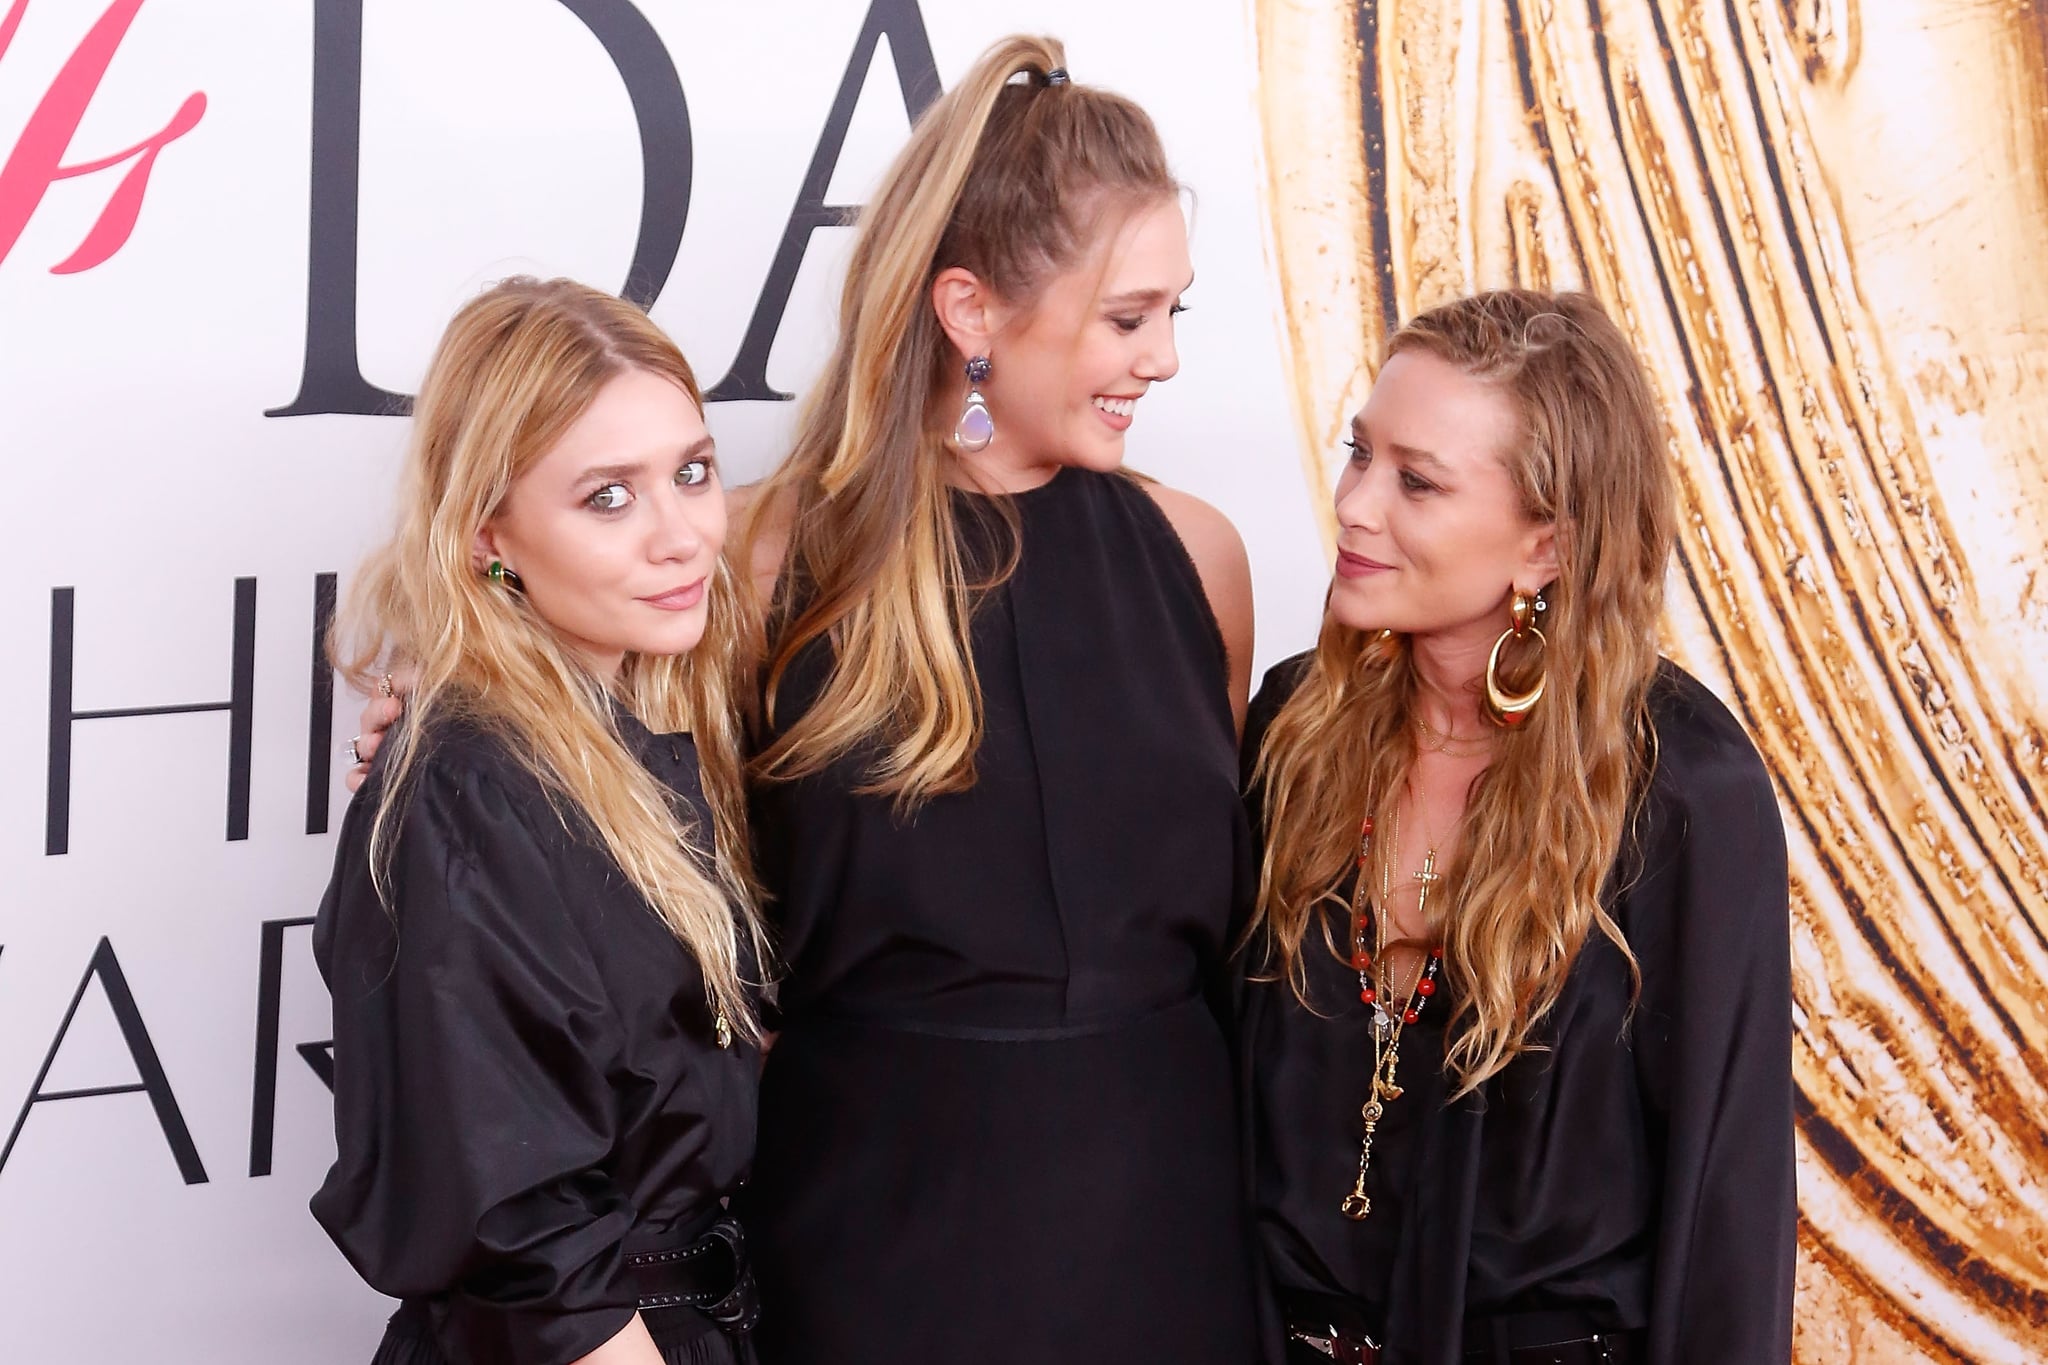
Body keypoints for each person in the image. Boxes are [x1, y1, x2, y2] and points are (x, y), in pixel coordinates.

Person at [732, 35, 1260, 1365]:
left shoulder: (1197, 558)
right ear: (970, 311)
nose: (1164, 361)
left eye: (1172, 315)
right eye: (1128, 318)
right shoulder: (768, 562)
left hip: (1172, 1236)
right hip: (874, 1247)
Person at [1242, 290, 1795, 1365]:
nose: (1353, 504)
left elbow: (1726, 1205)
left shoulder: (1677, 786)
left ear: (1544, 543)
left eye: (1415, 481)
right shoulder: (1290, 730)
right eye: (1358, 454)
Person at [313, 277, 770, 1365]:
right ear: (488, 537)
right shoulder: (468, 787)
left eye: (692, 473)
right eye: (606, 496)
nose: (682, 536)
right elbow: (527, 1241)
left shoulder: (648, 735)